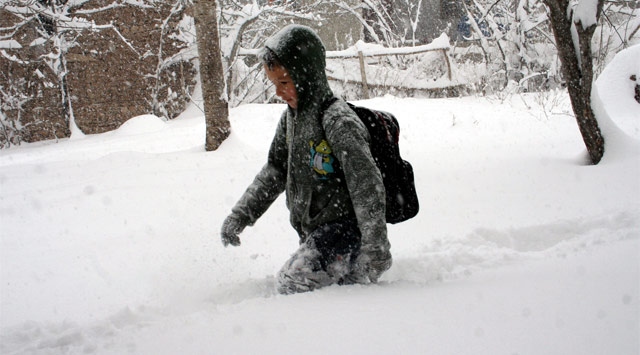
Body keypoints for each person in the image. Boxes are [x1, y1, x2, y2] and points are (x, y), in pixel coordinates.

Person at [220, 24, 391, 295]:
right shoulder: (291, 119)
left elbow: (366, 186)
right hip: (317, 233)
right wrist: (241, 214)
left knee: (294, 283)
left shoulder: (337, 120)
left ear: (306, 75)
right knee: (310, 286)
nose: (278, 92)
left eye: (284, 82)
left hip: (346, 232)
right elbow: (276, 169)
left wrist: (376, 246)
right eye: (274, 84)